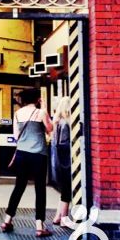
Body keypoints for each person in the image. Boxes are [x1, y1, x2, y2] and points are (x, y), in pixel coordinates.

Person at [1, 88, 53, 237]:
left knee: (19, 187)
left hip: (22, 155)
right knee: (40, 189)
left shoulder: (18, 114)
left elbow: (16, 136)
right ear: (37, 99)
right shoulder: (41, 112)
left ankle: (7, 220)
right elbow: (50, 129)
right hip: (38, 155)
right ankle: (39, 226)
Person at [51, 96, 73, 226]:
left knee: (64, 190)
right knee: (67, 191)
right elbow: (64, 144)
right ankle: (64, 219)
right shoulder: (65, 123)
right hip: (65, 162)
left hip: (58, 161)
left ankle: (57, 217)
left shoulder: (57, 122)